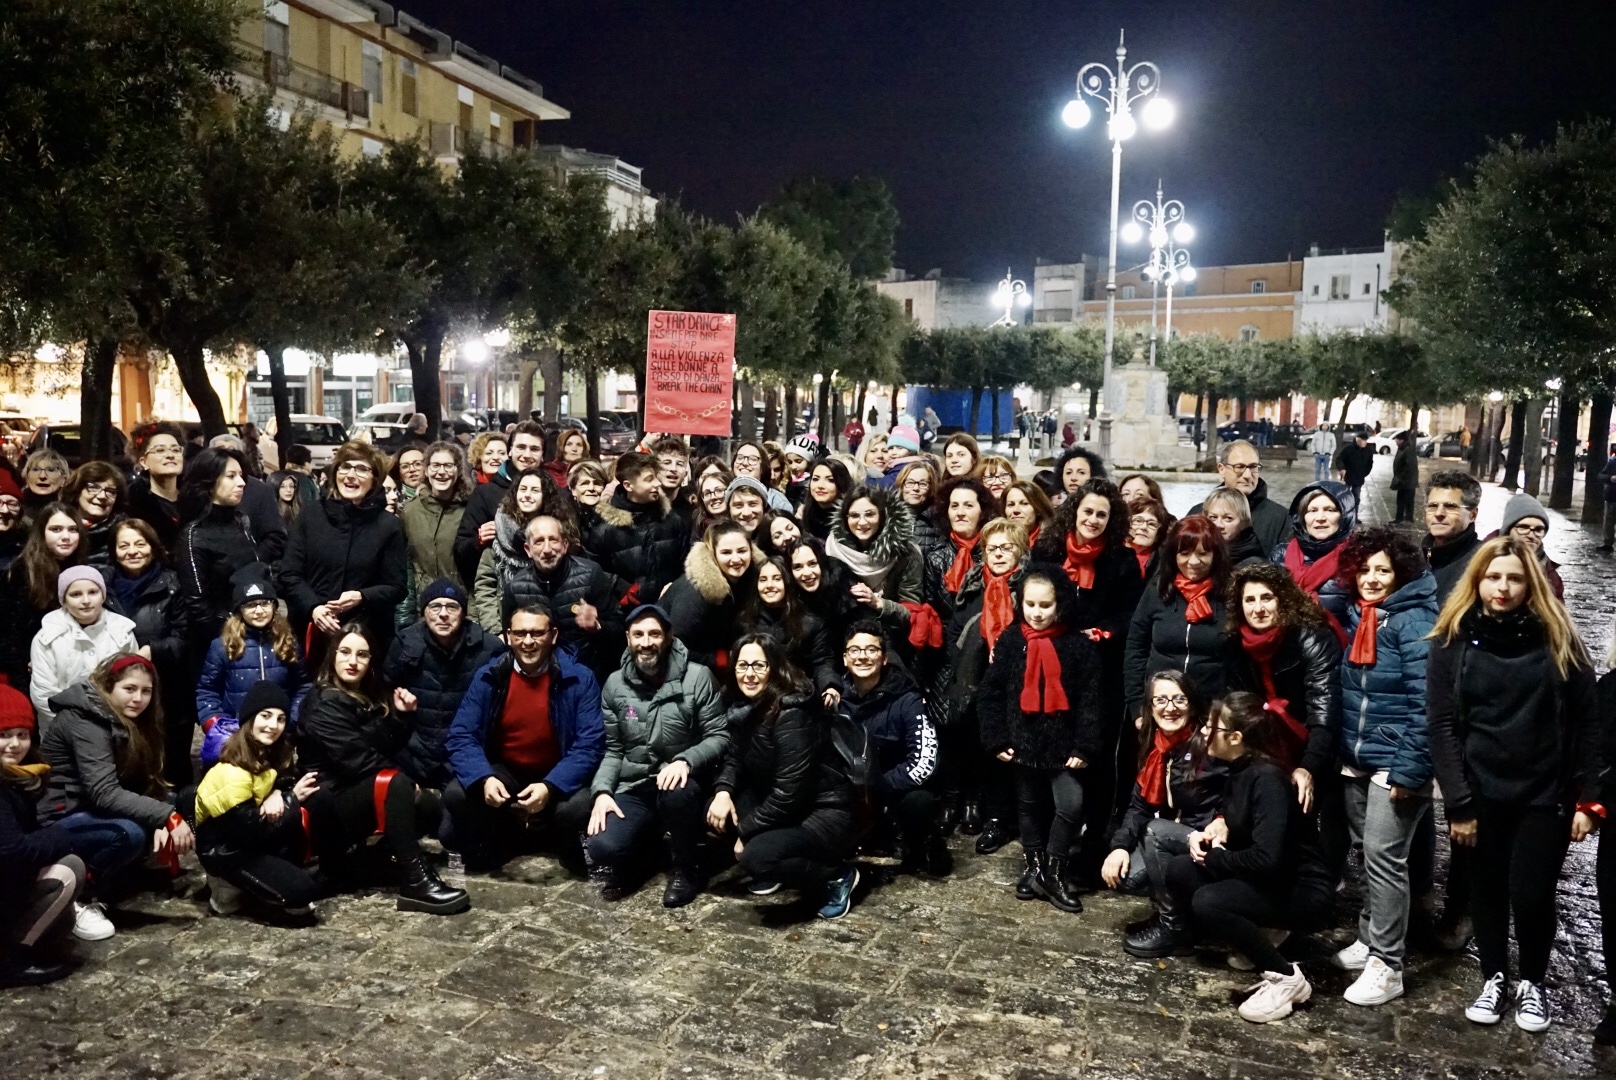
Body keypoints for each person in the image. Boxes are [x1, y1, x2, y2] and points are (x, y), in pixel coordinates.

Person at [1426, 537, 1598, 1034]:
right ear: (1477, 580)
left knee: (1531, 893)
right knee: (1486, 889)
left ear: (1532, 584)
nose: (1502, 587)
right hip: (1480, 790)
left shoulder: (1559, 636)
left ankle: (1534, 983)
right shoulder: (1452, 639)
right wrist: (1458, 801)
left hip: (1545, 791)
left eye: (1515, 578)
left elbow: (1588, 719)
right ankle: (1495, 975)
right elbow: (1441, 725)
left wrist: (1588, 795)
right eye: (1493, 577)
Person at [1165, 693, 1334, 1023]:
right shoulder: (1239, 769)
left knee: (1209, 901)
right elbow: (1241, 827)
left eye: (1212, 727)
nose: (1203, 732)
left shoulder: (1266, 778)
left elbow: (1268, 858)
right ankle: (1258, 937)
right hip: (1273, 878)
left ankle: (1287, 978)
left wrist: (1214, 860)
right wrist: (1214, 833)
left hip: (1303, 889)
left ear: (1236, 737)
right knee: (1179, 870)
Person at [1330, 526, 1438, 1007]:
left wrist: (1410, 770)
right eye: (1365, 570)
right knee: (1366, 853)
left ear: (1401, 573)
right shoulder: (1362, 615)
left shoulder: (1413, 621)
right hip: (1359, 756)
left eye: (1383, 570)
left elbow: (1428, 704)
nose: (1372, 578)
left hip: (1395, 762)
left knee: (1385, 858)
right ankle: (1370, 937)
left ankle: (1388, 964)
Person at [297, 623, 468, 914]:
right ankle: (416, 882)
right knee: (399, 786)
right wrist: (403, 783)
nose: (353, 661)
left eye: (362, 655)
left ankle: (375, 859)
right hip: (326, 803)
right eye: (345, 652)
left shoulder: (362, 695)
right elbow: (357, 760)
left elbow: (381, 745)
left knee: (426, 805)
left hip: (349, 793)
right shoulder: (323, 701)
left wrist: (401, 717)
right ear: (332, 656)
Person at [706, 634, 859, 919]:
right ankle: (779, 858)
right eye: (742, 666)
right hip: (784, 802)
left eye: (759, 666)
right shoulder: (744, 706)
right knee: (715, 811)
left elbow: (790, 793)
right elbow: (734, 758)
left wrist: (746, 831)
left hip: (823, 811)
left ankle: (835, 876)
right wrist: (723, 792)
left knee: (757, 858)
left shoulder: (791, 713)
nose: (749, 674)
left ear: (774, 669)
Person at [443, 603, 603, 870]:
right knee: (456, 794)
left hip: (557, 770)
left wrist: (551, 785)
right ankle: (507, 837)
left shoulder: (579, 677)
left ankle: (559, 843)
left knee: (575, 809)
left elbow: (590, 745)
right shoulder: (490, 676)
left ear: (552, 636)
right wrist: (484, 778)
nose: (528, 642)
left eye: (537, 633)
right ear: (508, 637)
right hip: (507, 770)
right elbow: (460, 735)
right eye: (520, 634)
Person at [978, 569, 1101, 914]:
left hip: (1063, 743)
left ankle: (1055, 870)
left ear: (1060, 604)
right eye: (1030, 604)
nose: (1036, 612)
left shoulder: (1078, 645)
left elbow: (1092, 699)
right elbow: (990, 693)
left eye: (1045, 605)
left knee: (1070, 804)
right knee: (1028, 806)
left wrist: (1085, 745)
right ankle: (1034, 868)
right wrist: (995, 737)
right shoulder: (1011, 639)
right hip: (1022, 739)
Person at [41, 653, 188, 942]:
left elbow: (140, 784)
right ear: (108, 686)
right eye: (129, 689)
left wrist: (164, 811)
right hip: (59, 816)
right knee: (127, 833)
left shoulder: (126, 719)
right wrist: (165, 818)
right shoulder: (85, 720)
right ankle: (79, 896)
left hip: (90, 808)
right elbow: (104, 792)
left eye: (146, 691)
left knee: (174, 799)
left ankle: (125, 873)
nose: (139, 698)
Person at [587, 605, 726, 907]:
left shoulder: (698, 677)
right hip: (637, 784)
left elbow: (719, 735)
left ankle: (687, 870)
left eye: (654, 634)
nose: (646, 642)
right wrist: (601, 792)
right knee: (603, 847)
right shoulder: (614, 684)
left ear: (668, 637)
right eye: (638, 634)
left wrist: (685, 760)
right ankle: (649, 848)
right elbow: (614, 749)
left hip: (683, 785)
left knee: (677, 794)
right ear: (628, 638)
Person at [1108, 673, 1227, 957]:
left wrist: (1222, 818)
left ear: (1192, 704)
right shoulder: (1156, 747)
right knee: (1127, 876)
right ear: (1149, 707)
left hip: (1205, 843)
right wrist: (1119, 847)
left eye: (1179, 699)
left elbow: (1239, 788)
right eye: (1160, 699)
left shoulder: (1208, 745)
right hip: (1176, 839)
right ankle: (1177, 912)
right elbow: (1138, 806)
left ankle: (1174, 927)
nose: (1169, 707)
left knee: (1154, 831)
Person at [193, 681, 322, 920]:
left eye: (281, 719)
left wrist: (278, 794)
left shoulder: (271, 752)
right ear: (250, 719)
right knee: (301, 893)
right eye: (266, 716)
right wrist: (291, 801)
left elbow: (284, 780)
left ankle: (255, 884)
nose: (274, 726)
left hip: (253, 840)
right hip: (227, 850)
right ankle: (224, 884)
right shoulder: (230, 770)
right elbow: (250, 830)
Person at [1223, 562, 1340, 819]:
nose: (1258, 609)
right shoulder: (1235, 641)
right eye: (1250, 600)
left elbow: (1324, 713)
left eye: (1267, 598)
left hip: (1313, 745)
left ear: (1283, 600)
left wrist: (1308, 768)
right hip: (1266, 745)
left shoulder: (1312, 637)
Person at [835, 620, 947, 875]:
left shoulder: (907, 699)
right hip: (848, 789)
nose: (862, 656)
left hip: (893, 787)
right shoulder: (834, 698)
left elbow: (925, 759)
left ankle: (919, 843)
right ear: (845, 658)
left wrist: (880, 788)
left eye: (871, 650)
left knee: (919, 802)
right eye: (855, 650)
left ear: (884, 658)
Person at [280, 441, 408, 663]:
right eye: (345, 467)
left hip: (365, 636)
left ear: (375, 480)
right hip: (311, 632)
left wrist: (362, 596)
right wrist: (314, 607)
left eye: (361, 469)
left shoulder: (388, 525)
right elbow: (289, 574)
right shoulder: (312, 515)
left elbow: (397, 587)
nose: (351, 475)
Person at [0, 683, 86, 986]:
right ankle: (9, 962)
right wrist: (60, 837)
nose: (14, 744)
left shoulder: (19, 777)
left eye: (21, 734)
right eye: (4, 734)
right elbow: (12, 850)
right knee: (69, 870)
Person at [382, 579, 504, 791]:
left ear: (463, 613)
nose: (443, 614)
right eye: (435, 606)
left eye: (452, 606)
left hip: (466, 759)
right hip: (415, 757)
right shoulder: (404, 644)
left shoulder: (489, 649)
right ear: (424, 613)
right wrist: (400, 713)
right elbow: (383, 696)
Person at [475, 515, 625, 681]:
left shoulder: (591, 575)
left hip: (586, 675)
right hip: (537, 679)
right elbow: (512, 641)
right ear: (528, 549)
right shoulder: (515, 588)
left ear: (565, 545)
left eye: (553, 540)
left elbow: (619, 631)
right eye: (539, 542)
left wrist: (597, 627)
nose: (547, 549)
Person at [100, 519, 190, 783]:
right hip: (116, 686)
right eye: (124, 545)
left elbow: (184, 636)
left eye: (140, 544)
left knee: (173, 762)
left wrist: (153, 650)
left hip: (167, 685)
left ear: (152, 546)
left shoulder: (173, 583)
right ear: (114, 550)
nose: (132, 551)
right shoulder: (103, 585)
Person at [195, 571, 309, 768]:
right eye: (250, 605)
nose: (259, 611)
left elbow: (304, 685)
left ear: (274, 607)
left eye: (265, 603)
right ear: (239, 610)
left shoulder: (288, 642)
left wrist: (291, 720)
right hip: (236, 737)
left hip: (278, 734)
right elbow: (207, 690)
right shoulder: (222, 646)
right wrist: (215, 724)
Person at [1123, 516, 1232, 717]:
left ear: (1216, 555)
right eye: (1185, 553)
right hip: (1161, 706)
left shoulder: (1230, 594)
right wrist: (1137, 705)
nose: (1193, 562)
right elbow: (1136, 648)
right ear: (1173, 555)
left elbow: (1239, 660)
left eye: (1203, 553)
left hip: (1212, 710)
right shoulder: (1158, 590)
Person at [173, 448, 267, 656]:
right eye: (231, 476)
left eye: (241, 476)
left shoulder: (241, 521)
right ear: (209, 482)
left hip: (256, 630)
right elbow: (199, 606)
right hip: (221, 644)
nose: (242, 483)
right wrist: (232, 639)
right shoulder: (193, 535)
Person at [30, 567, 140, 731]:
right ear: (64, 600)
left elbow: (132, 682)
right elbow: (43, 693)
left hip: (114, 728)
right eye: (75, 594)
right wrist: (77, 728)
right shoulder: (47, 637)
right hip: (61, 731)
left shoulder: (122, 632)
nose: (86, 600)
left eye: (93, 592)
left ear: (103, 595)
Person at [586, 451, 690, 607]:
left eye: (656, 477)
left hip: (670, 607)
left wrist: (676, 587)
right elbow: (591, 570)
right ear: (628, 486)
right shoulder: (603, 528)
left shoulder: (671, 520)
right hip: (624, 612)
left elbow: (685, 562)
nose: (657, 483)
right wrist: (620, 587)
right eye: (649, 479)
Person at [0, 506, 84, 692]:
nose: (66, 536)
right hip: (27, 677)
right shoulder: (23, 571)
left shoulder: (80, 568)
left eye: (72, 529)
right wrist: (24, 677)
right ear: (41, 533)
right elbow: (9, 638)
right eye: (56, 529)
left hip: (67, 671)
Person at [825, 485, 925, 640]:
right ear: (846, 518)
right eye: (854, 515)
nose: (862, 522)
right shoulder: (833, 548)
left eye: (870, 514)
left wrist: (878, 603)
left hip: (890, 638)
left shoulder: (905, 552)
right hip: (843, 636)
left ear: (882, 516)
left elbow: (911, 613)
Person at [454, 421, 547, 587]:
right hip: (498, 590)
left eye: (534, 449)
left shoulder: (553, 492)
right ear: (510, 451)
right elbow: (461, 550)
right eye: (520, 447)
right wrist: (479, 540)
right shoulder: (486, 493)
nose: (526, 455)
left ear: (543, 454)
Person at [662, 520, 759, 673]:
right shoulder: (697, 591)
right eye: (726, 552)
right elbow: (672, 645)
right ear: (713, 554)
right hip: (678, 665)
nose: (736, 559)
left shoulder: (752, 577)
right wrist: (719, 659)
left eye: (742, 551)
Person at [399, 441, 473, 616]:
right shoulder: (409, 511)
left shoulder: (470, 509)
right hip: (422, 607)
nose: (441, 472)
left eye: (448, 465)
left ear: (458, 470)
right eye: (435, 465)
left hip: (462, 605)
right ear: (426, 470)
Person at [1271, 481, 1356, 632]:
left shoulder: (1355, 557)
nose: (1320, 517)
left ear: (1344, 516)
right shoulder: (1281, 555)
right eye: (1312, 510)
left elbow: (1359, 620)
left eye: (1330, 510)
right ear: (1302, 517)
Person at [1187, 441, 1291, 554]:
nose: (1247, 475)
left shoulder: (1281, 518)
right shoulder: (1197, 514)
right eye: (1239, 467)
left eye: (1253, 467)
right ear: (1221, 469)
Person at [1485, 493, 1563, 600]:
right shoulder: (1482, 559)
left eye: (1538, 530)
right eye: (1523, 527)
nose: (1531, 535)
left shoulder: (1550, 574)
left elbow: (1558, 612)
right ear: (1508, 530)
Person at [1421, 470, 1484, 602]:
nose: (1439, 513)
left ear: (1473, 514)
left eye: (1450, 507)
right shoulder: (1416, 557)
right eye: (1432, 506)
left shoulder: (1483, 561)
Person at [126, 421, 187, 551]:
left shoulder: (198, 500)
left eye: (176, 450)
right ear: (143, 462)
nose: (170, 455)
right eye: (160, 450)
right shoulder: (132, 505)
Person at [61, 462, 126, 569]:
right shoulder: (56, 526)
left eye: (110, 491)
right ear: (77, 491)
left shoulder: (125, 531)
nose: (102, 496)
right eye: (94, 487)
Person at [1202, 487, 1266, 565]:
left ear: (1243, 523)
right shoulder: (1199, 552)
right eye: (1213, 517)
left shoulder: (1254, 564)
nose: (1218, 525)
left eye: (1228, 518)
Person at [894, 462, 943, 558]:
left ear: (930, 487)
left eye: (923, 484)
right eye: (910, 483)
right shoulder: (888, 516)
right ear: (902, 485)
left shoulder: (939, 519)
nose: (916, 488)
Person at [799, 459, 853, 542]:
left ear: (841, 483)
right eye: (815, 479)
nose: (820, 486)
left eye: (830, 480)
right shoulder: (803, 514)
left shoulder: (850, 518)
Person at [1125, 499, 1173, 582]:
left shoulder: (1162, 565)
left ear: (1158, 535)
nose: (1144, 527)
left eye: (1152, 524)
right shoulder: (1109, 551)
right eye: (1138, 520)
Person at [19, 450, 70, 525]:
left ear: (63, 479)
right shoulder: (14, 509)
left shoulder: (71, 511)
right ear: (26, 476)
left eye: (51, 470)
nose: (42, 476)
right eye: (36, 469)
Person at [1002, 479, 1055, 548]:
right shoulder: (996, 541)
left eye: (1024, 503)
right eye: (1011, 505)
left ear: (1038, 509)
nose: (1016, 510)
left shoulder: (1053, 542)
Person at [1338, 432, 1376, 510]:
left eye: (1366, 440)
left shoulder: (1368, 451)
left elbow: (1370, 463)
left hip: (1359, 478)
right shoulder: (1348, 448)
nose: (1364, 442)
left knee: (1356, 498)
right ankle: (1345, 514)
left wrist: (1364, 473)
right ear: (1357, 440)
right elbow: (1339, 459)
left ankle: (1355, 515)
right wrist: (1342, 468)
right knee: (1346, 497)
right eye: (1363, 440)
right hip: (1347, 476)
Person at [1390, 432, 1419, 523]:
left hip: (1407, 481)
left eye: (1396, 439)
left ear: (1401, 440)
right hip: (1402, 480)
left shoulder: (1408, 450)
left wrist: (1401, 478)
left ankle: (1408, 518)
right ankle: (1400, 518)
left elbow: (1410, 467)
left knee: (1408, 500)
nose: (1395, 441)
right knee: (1401, 500)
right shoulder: (1402, 448)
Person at [1597, 443, 1616, 553]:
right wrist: (1610, 478)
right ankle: (1608, 543)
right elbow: (1601, 476)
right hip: (1612, 497)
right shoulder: (1613, 462)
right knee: (1609, 521)